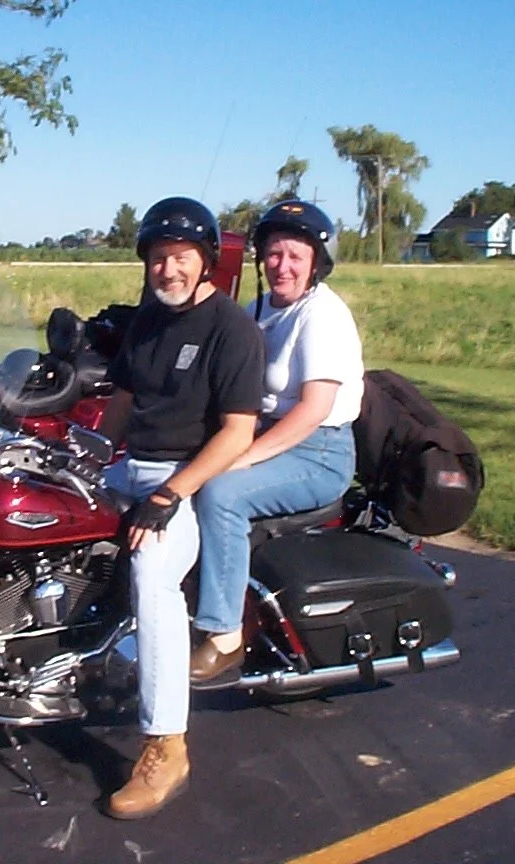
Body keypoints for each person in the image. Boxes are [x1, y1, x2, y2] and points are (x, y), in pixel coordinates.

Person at [98, 196, 265, 819]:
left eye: (181, 258)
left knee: (153, 573)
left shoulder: (232, 330)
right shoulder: (148, 318)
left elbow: (237, 432)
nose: (168, 270)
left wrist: (171, 494)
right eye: (158, 258)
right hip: (132, 465)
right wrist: (85, 454)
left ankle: (166, 743)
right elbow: (124, 394)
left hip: (186, 477)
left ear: (206, 263)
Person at [189, 200, 365, 687]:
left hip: (319, 452)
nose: (282, 265)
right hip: (266, 436)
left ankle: (224, 637)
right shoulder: (258, 309)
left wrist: (239, 459)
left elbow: (313, 410)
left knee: (220, 493)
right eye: (273, 254)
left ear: (315, 263)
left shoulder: (323, 316)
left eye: (294, 256)